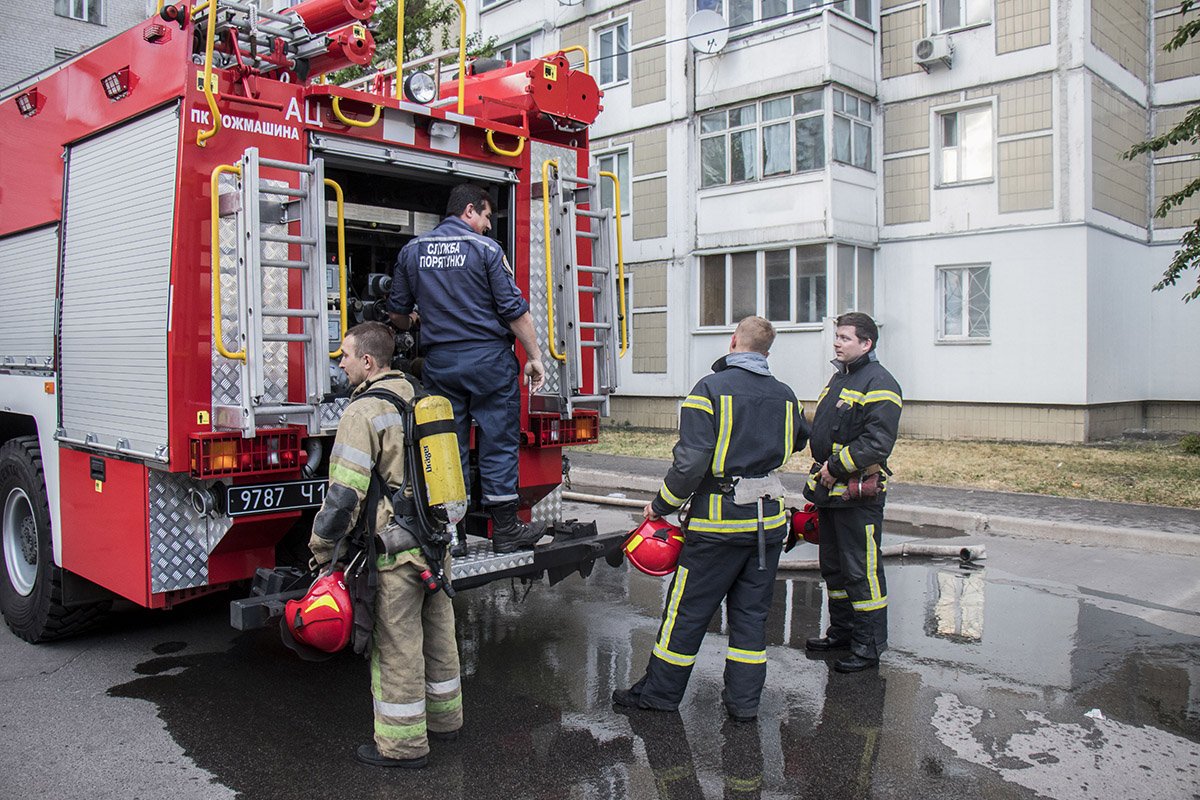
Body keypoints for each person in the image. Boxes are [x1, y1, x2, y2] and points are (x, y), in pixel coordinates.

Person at [612, 317, 809, 721]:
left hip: (717, 527)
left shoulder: (709, 389)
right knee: (751, 620)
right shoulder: (786, 395)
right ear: (767, 352)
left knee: (686, 614)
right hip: (768, 525)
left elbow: (691, 464)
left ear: (733, 341)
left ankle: (660, 695)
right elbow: (801, 439)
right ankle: (744, 705)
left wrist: (661, 505)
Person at [309, 322, 462, 769]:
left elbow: (344, 494)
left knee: (397, 647)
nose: (341, 363)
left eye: (345, 355)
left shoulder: (363, 412)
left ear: (368, 361)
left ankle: (402, 747)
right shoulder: (423, 397)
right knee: (440, 637)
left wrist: (322, 549)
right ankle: (446, 722)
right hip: (436, 546)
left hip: (395, 554)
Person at [386, 183, 546, 554]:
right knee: (498, 442)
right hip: (489, 361)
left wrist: (415, 320)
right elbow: (515, 311)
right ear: (469, 210)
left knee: (445, 444)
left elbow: (397, 315)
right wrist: (534, 356)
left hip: (440, 364)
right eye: (487, 216)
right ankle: (505, 530)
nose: (489, 226)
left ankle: (452, 536)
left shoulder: (412, 251)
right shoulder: (486, 249)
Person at [802, 312, 903, 673]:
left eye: (845, 338)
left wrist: (834, 466)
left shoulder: (880, 382)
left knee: (862, 571)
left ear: (866, 343)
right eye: (837, 337)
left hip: (857, 496)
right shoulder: (841, 378)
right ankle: (842, 633)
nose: (837, 343)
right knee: (835, 569)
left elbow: (877, 443)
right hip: (830, 495)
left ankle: (868, 645)